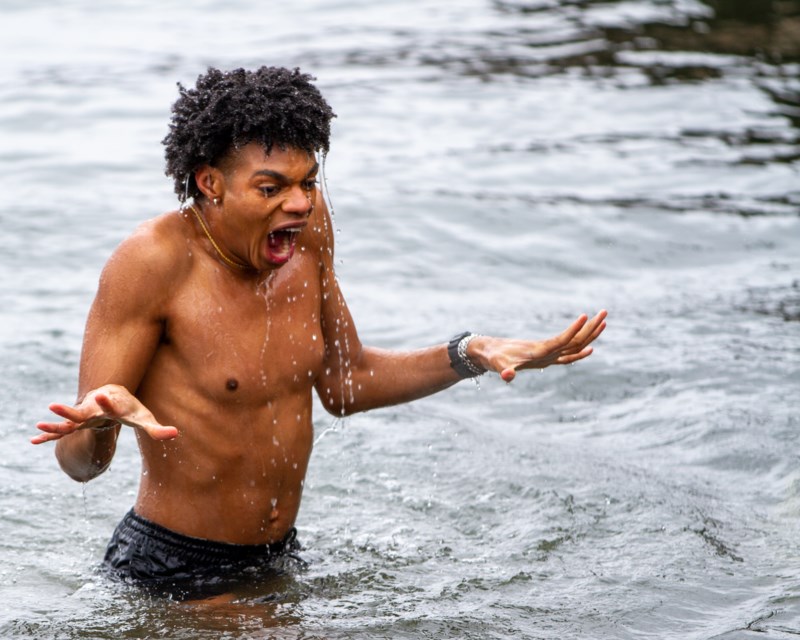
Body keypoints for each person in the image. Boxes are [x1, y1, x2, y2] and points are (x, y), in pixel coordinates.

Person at [32, 66, 607, 598]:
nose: (301, 203)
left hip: (279, 559)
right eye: (271, 187)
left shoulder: (306, 234)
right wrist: (103, 420)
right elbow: (78, 463)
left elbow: (346, 384)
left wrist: (470, 353)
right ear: (209, 182)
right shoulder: (150, 265)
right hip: (174, 570)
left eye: (309, 181)